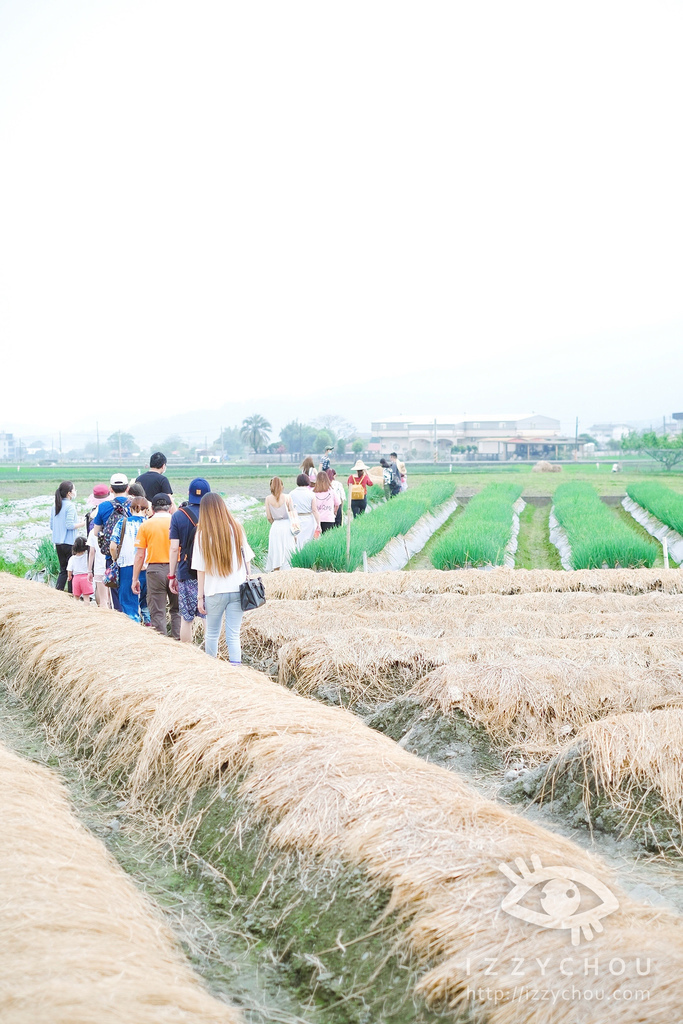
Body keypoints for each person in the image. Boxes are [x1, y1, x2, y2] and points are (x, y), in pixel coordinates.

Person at [193, 492, 255, 663]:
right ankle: (236, 670)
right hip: (238, 589)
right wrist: (247, 577)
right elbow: (247, 559)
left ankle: (212, 670)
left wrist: (200, 597)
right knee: (233, 635)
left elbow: (201, 569)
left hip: (214, 591)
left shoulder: (201, 535)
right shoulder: (237, 528)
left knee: (212, 633)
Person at [131, 493, 180, 639]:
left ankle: (161, 645)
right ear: (170, 507)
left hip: (154, 570)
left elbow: (140, 555)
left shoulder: (146, 525)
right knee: (177, 609)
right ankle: (180, 643)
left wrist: (135, 579)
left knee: (157, 611)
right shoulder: (176, 522)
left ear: (152, 509)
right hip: (177, 569)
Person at [168, 477, 211, 642]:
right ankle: (210, 654)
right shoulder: (213, 514)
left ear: (189, 493)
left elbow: (174, 548)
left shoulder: (179, 515)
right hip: (210, 572)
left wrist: (172, 575)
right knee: (209, 616)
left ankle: (187, 655)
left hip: (187, 571)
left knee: (186, 618)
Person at [92, 474, 131, 612]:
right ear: (128, 488)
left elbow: (96, 532)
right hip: (132, 556)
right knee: (131, 589)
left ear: (111, 489)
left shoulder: (103, 507)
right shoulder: (135, 505)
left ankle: (120, 617)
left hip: (111, 556)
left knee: (115, 589)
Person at [110, 495, 149, 621]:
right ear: (147, 510)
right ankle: (150, 628)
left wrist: (115, 559)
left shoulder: (122, 522)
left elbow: (112, 546)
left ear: (130, 509)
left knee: (128, 605)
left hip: (127, 566)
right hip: (148, 566)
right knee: (148, 604)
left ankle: (134, 630)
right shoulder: (150, 523)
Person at [50, 481, 79, 591]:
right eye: (74, 490)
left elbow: (52, 526)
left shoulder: (55, 506)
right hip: (69, 542)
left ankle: (59, 592)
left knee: (63, 570)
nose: (75, 492)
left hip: (58, 543)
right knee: (72, 570)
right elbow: (70, 525)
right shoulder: (70, 506)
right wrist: (81, 523)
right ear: (69, 493)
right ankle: (71, 595)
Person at [85, 485, 111, 608]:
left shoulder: (92, 533)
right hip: (112, 565)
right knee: (112, 599)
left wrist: (89, 570)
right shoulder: (113, 528)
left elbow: (91, 552)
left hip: (99, 567)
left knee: (103, 600)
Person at [265, 477, 297, 571]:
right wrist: (295, 531)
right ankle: (288, 570)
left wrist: (274, 524)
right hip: (287, 526)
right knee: (288, 549)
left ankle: (276, 570)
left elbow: (269, 517)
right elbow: (292, 514)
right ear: (281, 486)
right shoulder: (287, 497)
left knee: (276, 549)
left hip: (275, 526)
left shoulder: (268, 499)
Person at [289, 473, 321, 546]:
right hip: (308, 520)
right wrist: (318, 524)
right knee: (307, 541)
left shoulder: (291, 493)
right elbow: (315, 510)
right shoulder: (311, 494)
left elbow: (289, 509)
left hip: (295, 519)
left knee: (297, 541)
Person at [67, 537, 93, 602]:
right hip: (85, 578)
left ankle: (76, 610)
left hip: (76, 578)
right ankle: (87, 610)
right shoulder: (87, 557)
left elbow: (69, 570)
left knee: (76, 597)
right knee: (86, 597)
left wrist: (69, 577)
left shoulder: (72, 558)